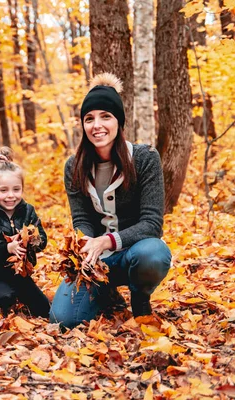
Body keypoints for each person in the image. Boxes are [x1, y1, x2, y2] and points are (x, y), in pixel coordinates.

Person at [49, 73, 172, 328]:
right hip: (98, 259)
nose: (97, 125)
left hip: (135, 252)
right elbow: (81, 218)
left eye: (106, 116)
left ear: (119, 121)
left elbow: (152, 223)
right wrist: (85, 245)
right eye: (89, 119)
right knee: (64, 320)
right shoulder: (74, 166)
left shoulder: (145, 158)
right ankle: (105, 291)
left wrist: (106, 241)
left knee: (154, 253)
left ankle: (140, 301)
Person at [0, 147, 50, 317]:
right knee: (5, 298)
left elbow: (43, 238)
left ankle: (25, 295)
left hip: (22, 273)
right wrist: (7, 248)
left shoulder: (28, 211)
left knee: (43, 309)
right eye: (3, 190)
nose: (11, 196)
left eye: (16, 189)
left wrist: (34, 240)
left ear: (22, 189)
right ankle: (6, 299)